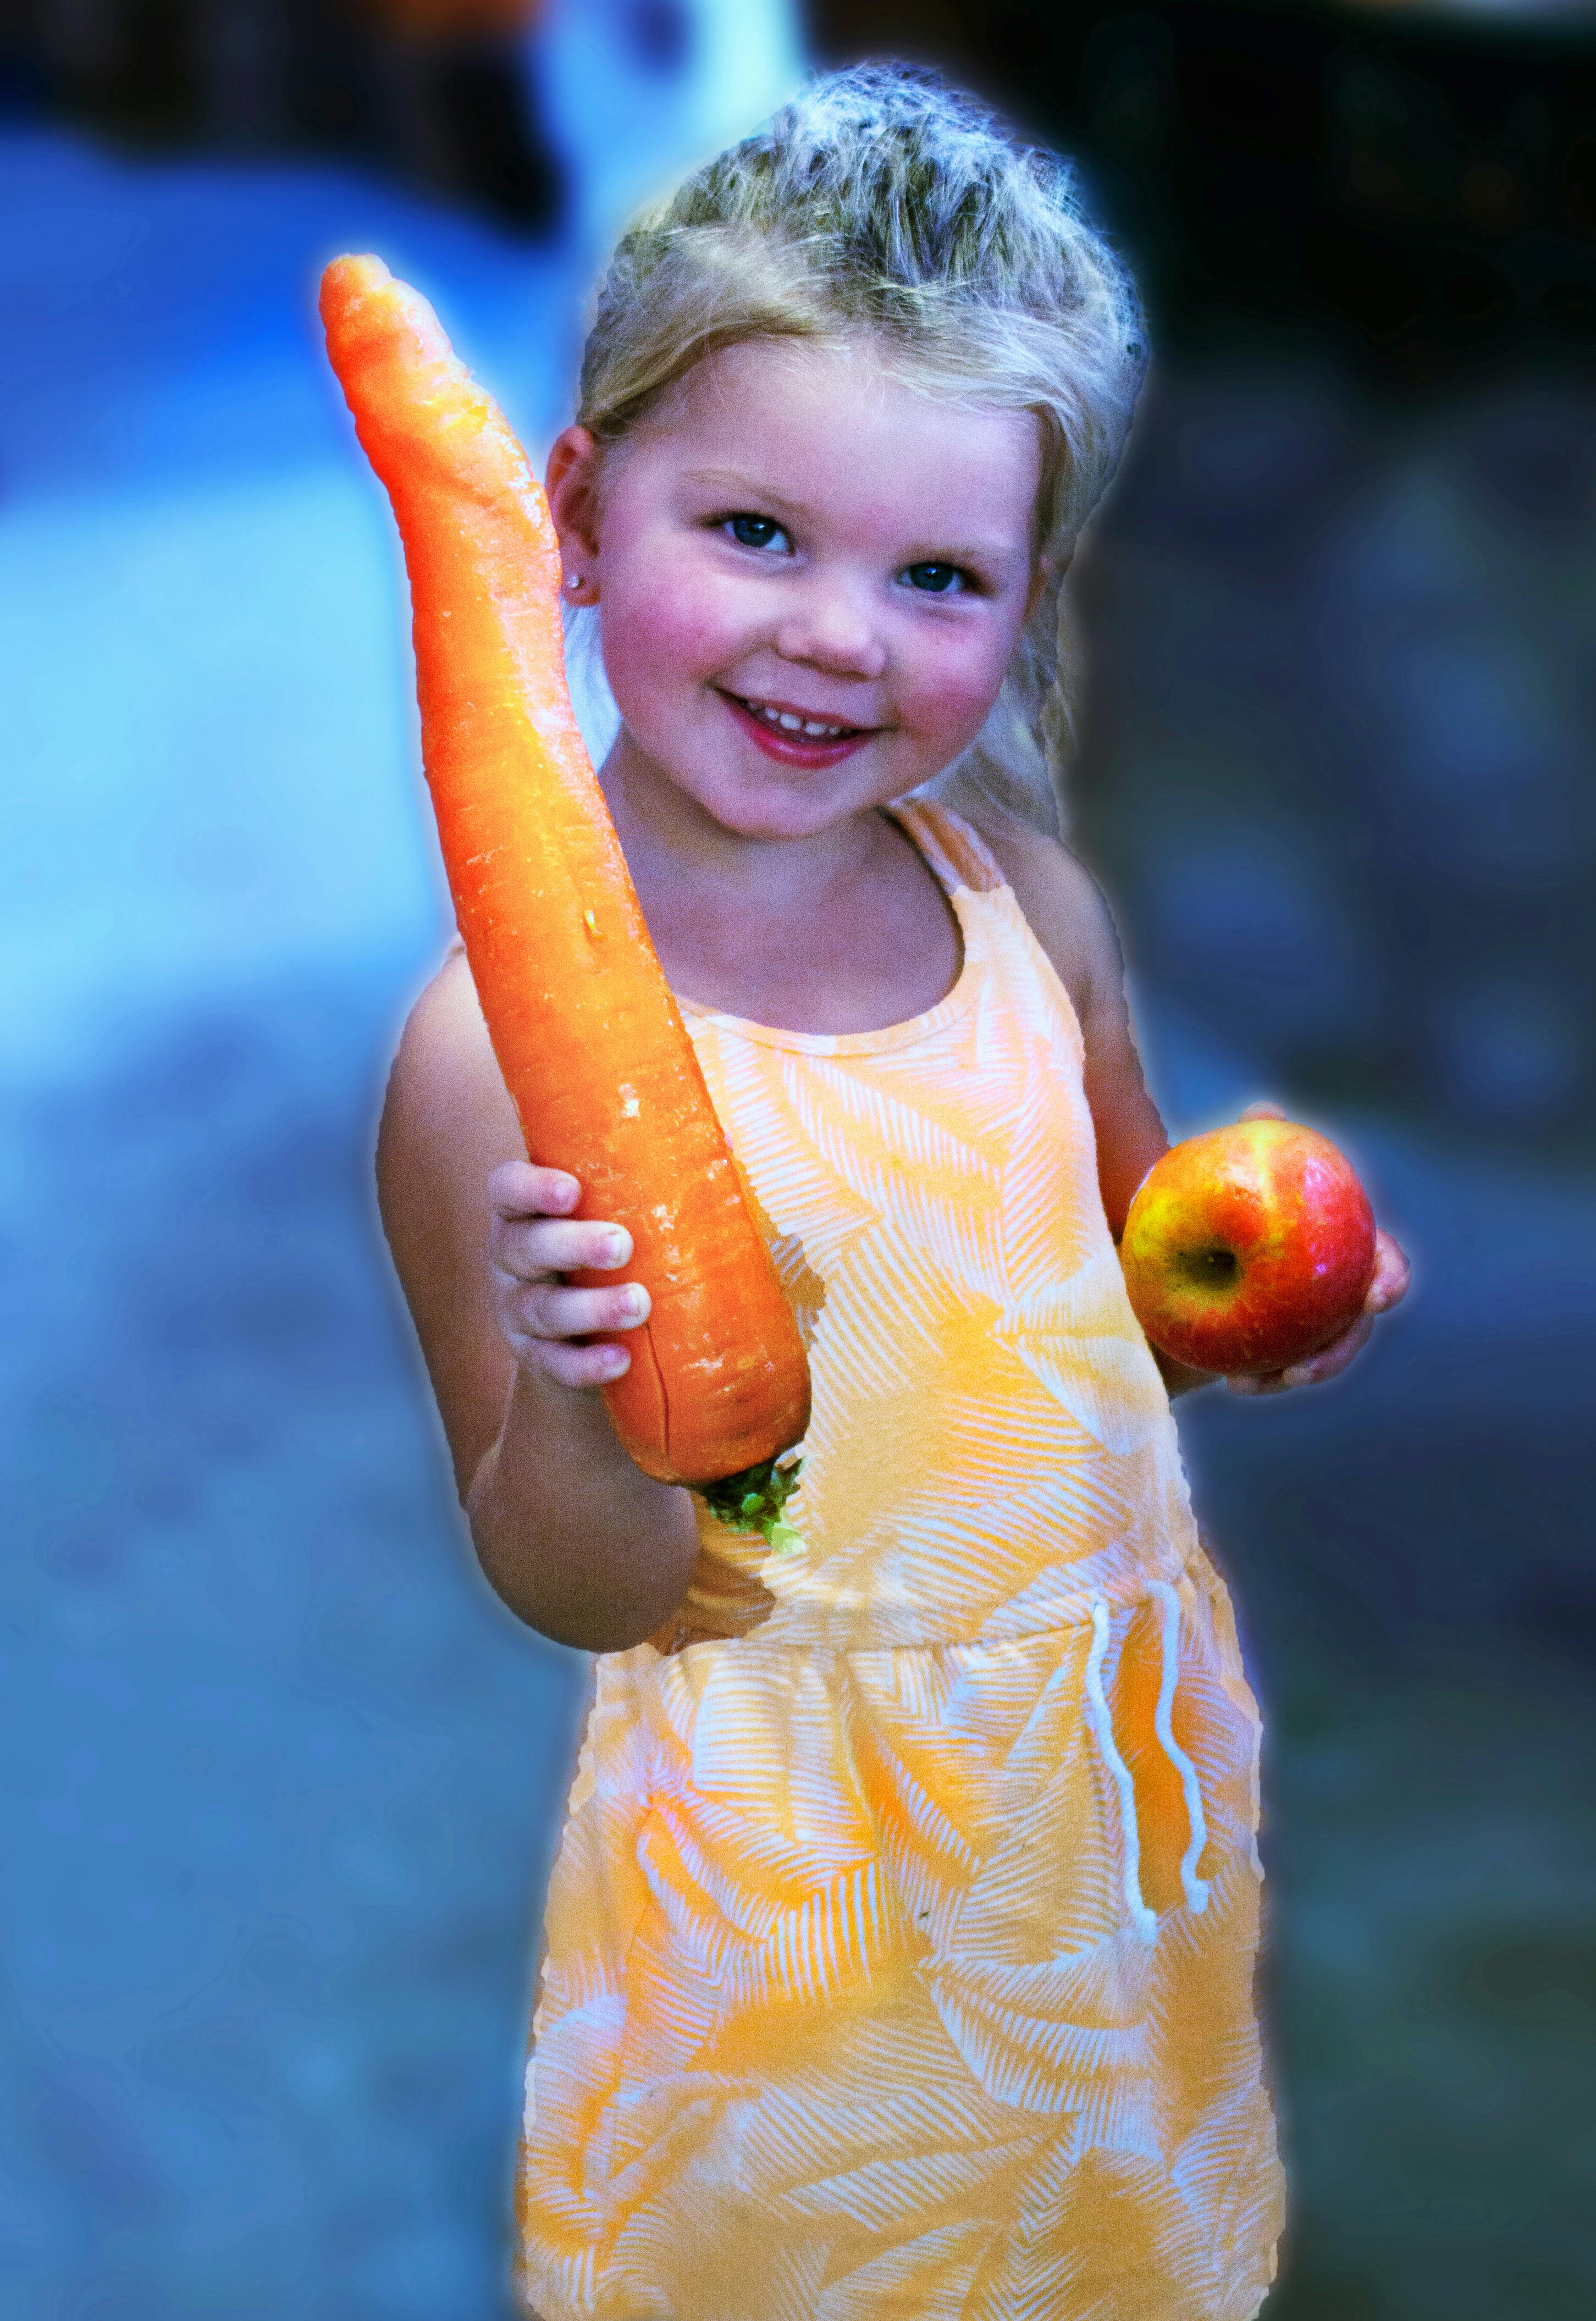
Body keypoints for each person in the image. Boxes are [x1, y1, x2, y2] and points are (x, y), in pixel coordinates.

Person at [376, 63, 1409, 2321]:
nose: (840, 635)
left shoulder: (1029, 912)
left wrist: (1261, 1313)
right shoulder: (488, 1060)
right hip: (788, 1922)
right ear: (578, 513)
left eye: (936, 576)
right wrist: (575, 1402)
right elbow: (582, 1588)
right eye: (757, 532)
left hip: (1096, 1842)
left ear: (1025, 602)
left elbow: (1122, 1306)